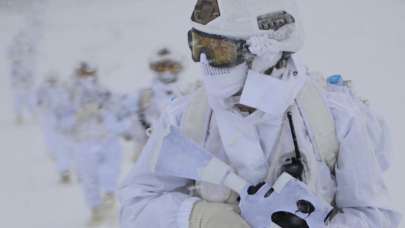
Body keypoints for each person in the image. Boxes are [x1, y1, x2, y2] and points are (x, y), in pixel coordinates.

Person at [119, 0, 401, 228]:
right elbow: (136, 205)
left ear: (265, 49)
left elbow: (378, 218)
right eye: (199, 45)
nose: (206, 62)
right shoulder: (188, 116)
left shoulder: (333, 117)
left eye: (219, 50)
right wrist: (196, 216)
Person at [70, 62, 123, 226]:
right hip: (83, 142)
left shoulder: (105, 92)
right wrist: (78, 117)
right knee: (88, 178)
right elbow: (58, 122)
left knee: (109, 172)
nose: (87, 77)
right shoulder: (70, 94)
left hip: (107, 140)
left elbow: (119, 113)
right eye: (83, 74)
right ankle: (95, 211)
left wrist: (104, 115)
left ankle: (109, 200)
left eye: (90, 73)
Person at [126, 48, 185, 160]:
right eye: (162, 67)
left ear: (179, 67)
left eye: (171, 66)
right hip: (151, 153)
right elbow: (133, 128)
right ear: (154, 68)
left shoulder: (188, 92)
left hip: (181, 153)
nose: (167, 71)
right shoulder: (143, 95)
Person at [36, 73, 75, 183]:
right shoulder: (44, 89)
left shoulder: (65, 91)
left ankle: (76, 172)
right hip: (56, 123)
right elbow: (39, 102)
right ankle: (65, 172)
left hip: (71, 126)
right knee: (61, 148)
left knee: (70, 149)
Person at [7, 32, 37, 124]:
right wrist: (15, 82)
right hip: (18, 88)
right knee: (18, 103)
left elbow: (30, 76)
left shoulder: (26, 66)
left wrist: (27, 82)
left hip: (26, 88)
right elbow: (13, 77)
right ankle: (19, 118)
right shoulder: (15, 68)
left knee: (29, 103)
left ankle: (34, 117)